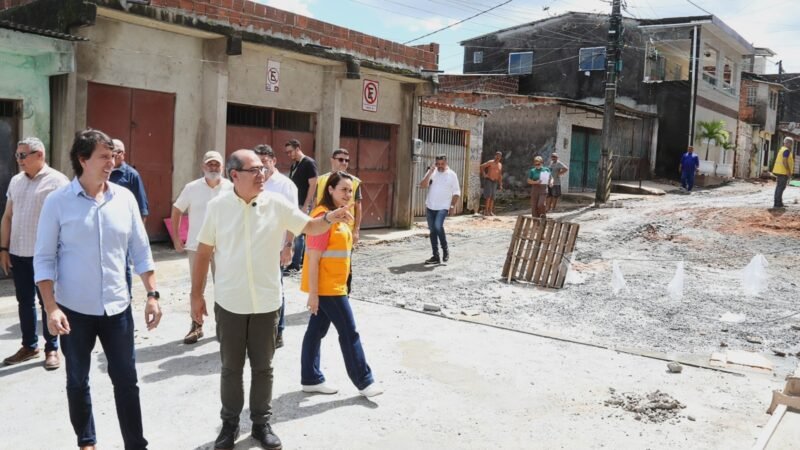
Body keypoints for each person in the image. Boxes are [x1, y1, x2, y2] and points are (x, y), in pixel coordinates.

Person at [190, 150, 353, 450]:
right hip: (230, 303)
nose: (262, 175)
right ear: (234, 175)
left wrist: (329, 217)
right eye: (254, 170)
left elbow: (309, 226)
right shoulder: (218, 207)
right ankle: (229, 426)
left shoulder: (276, 204)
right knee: (231, 368)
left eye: (263, 169)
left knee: (263, 368)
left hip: (266, 303)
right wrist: (196, 295)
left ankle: (261, 424)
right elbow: (203, 253)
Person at [34, 128, 162, 450]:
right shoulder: (58, 202)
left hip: (117, 308)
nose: (112, 162)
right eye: (104, 157)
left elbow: (141, 250)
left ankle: (136, 445)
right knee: (77, 381)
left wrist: (152, 294)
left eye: (113, 156)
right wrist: (51, 307)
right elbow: (44, 259)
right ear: (82, 160)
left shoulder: (125, 198)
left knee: (126, 381)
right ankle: (86, 442)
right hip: (73, 310)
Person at [300, 171, 383, 398]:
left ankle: (310, 378)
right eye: (343, 190)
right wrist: (313, 294)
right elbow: (314, 258)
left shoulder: (343, 216)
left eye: (350, 190)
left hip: (337, 284)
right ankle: (364, 381)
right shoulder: (322, 217)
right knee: (349, 332)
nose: (348, 194)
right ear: (330, 190)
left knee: (315, 331)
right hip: (328, 288)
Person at [1, 137, 69, 369]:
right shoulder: (16, 181)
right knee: (24, 302)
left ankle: (52, 349)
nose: (19, 160)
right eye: (17, 155)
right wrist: (3, 248)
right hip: (19, 252)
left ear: (39, 155)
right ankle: (29, 346)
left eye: (23, 155)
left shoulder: (58, 181)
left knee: (47, 302)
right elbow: (8, 216)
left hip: (46, 255)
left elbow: (67, 221)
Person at [171, 150, 231, 345]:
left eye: (217, 165)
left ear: (222, 167)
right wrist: (176, 237)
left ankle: (224, 327)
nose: (213, 168)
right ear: (203, 166)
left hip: (224, 246)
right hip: (197, 246)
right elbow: (177, 210)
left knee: (224, 286)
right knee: (197, 287)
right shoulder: (192, 188)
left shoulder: (231, 188)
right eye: (210, 164)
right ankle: (196, 326)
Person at [255, 144, 298, 349]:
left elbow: (293, 218)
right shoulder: (255, 182)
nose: (261, 168)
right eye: (257, 163)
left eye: (264, 162)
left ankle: (278, 330)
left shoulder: (285, 185)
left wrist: (288, 246)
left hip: (276, 246)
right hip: (255, 247)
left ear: (273, 160)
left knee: (275, 288)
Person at [315, 148, 362, 293]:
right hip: (324, 227)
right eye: (341, 159)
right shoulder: (322, 180)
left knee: (345, 263)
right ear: (332, 160)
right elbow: (317, 202)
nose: (344, 163)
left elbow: (358, 207)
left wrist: (356, 230)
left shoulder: (354, 182)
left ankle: (344, 293)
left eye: (347, 160)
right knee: (321, 262)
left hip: (345, 229)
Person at [110, 138, 149, 300]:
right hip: (104, 228)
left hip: (123, 229)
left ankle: (126, 297)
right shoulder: (102, 172)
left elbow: (142, 208)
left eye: (116, 153)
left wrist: (137, 235)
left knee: (124, 264)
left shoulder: (131, 175)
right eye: (109, 152)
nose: (112, 156)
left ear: (123, 155)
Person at [419, 155, 461, 265]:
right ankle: (435, 256)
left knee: (438, 226)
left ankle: (445, 250)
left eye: (442, 164)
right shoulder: (433, 172)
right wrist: (429, 172)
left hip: (443, 207)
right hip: (430, 206)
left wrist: (452, 206)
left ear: (446, 162)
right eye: (438, 164)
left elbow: (456, 192)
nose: (440, 166)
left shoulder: (452, 175)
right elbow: (423, 185)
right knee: (432, 231)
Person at [285, 138, 318, 272]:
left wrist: (306, 205)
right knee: (294, 232)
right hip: (294, 203)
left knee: (299, 234)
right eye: (287, 153)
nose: (289, 155)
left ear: (298, 148)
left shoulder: (309, 163)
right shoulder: (295, 165)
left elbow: (313, 184)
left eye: (290, 151)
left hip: (302, 204)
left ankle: (296, 264)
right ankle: (298, 261)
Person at [772, 137, 795, 208]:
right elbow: (784, 161)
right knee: (780, 187)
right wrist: (788, 171)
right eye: (790, 143)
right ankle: (777, 204)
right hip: (783, 172)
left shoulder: (782, 149)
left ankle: (779, 203)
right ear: (787, 143)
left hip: (780, 171)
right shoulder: (786, 150)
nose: (791, 145)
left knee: (780, 187)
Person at [479, 152, 503, 216]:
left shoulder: (500, 165)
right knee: (488, 196)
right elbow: (481, 166)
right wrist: (484, 174)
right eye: (497, 156)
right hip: (489, 180)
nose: (498, 157)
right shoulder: (490, 162)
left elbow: (500, 175)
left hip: (495, 181)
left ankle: (490, 211)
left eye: (499, 156)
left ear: (500, 158)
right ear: (495, 156)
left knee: (493, 197)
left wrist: (500, 184)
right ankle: (486, 211)